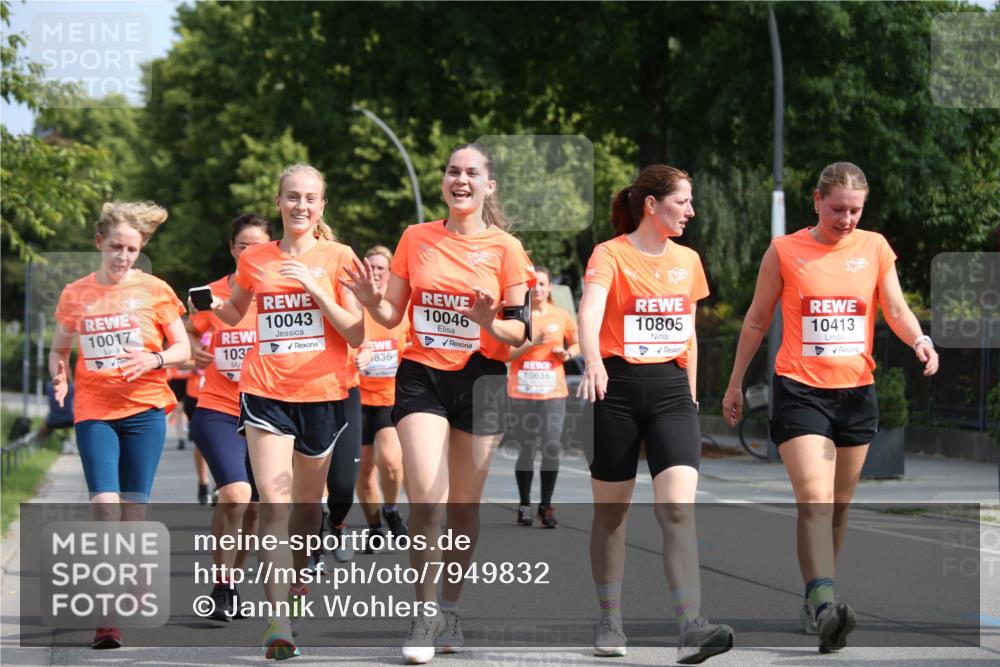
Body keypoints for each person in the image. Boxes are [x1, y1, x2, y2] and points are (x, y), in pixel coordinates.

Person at [722, 161, 939, 654]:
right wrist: (735, 383)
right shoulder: (784, 250)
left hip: (856, 392)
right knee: (816, 500)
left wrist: (920, 341)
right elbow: (756, 319)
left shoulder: (875, 247)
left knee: (839, 508)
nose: (846, 219)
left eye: (855, 210)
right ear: (817, 201)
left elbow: (896, 309)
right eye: (838, 208)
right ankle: (825, 604)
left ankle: (815, 595)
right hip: (799, 389)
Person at [344, 143, 535, 664]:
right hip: (422, 375)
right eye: (453, 171)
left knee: (463, 509)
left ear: (489, 185)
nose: (461, 180)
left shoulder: (506, 248)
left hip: (482, 380)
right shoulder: (416, 237)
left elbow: (519, 332)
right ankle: (424, 614)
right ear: (444, 181)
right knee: (428, 498)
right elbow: (392, 314)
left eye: (472, 173)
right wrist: (371, 300)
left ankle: (451, 608)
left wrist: (488, 321)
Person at [577, 165, 734, 664]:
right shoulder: (609, 254)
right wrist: (593, 362)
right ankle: (609, 618)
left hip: (671, 393)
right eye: (682, 202)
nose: (691, 211)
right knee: (612, 514)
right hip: (615, 390)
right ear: (652, 204)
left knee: (678, 509)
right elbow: (589, 312)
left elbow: (689, 334)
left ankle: (691, 624)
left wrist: (690, 398)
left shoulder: (688, 261)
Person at [208, 164, 364, 659]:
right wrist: (208, 305)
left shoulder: (339, 257)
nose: (301, 205)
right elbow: (235, 311)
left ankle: (297, 580)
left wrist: (316, 290)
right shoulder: (256, 258)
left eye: (310, 198)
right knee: (274, 504)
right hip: (265, 391)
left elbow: (356, 332)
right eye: (292, 196)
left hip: (322, 395)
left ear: (322, 206)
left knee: (306, 508)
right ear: (278, 202)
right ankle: (279, 624)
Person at [49, 201, 190, 650]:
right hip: (94, 409)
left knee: (133, 511)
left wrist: (155, 358)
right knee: (106, 507)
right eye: (116, 247)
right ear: (99, 243)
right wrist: (59, 374)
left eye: (132, 249)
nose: (123, 256)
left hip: (145, 409)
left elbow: (183, 348)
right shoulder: (76, 293)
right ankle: (107, 619)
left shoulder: (154, 289)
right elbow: (59, 348)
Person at [186, 213, 271, 621]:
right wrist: (194, 350)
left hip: (268, 412)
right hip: (218, 408)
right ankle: (221, 584)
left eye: (259, 246)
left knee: (255, 507)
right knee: (236, 493)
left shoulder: (280, 293)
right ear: (232, 250)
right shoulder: (211, 294)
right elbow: (186, 332)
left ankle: (232, 582)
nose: (250, 252)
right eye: (243, 246)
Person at [504, 265, 578, 528]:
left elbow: (577, 343)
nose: (537, 289)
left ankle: (545, 506)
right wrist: (532, 343)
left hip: (553, 393)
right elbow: (506, 353)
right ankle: (524, 504)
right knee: (526, 450)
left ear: (549, 288)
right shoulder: (518, 317)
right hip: (522, 392)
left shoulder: (562, 315)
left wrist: (567, 354)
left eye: (543, 284)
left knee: (551, 447)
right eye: (533, 284)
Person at [353, 245, 409, 547]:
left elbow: (415, 345)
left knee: (390, 462)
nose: (374, 272)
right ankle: (375, 526)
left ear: (390, 273)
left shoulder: (401, 309)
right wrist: (359, 353)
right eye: (370, 267)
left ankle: (391, 510)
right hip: (357, 397)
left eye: (380, 268)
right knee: (363, 470)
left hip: (390, 397)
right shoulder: (354, 305)